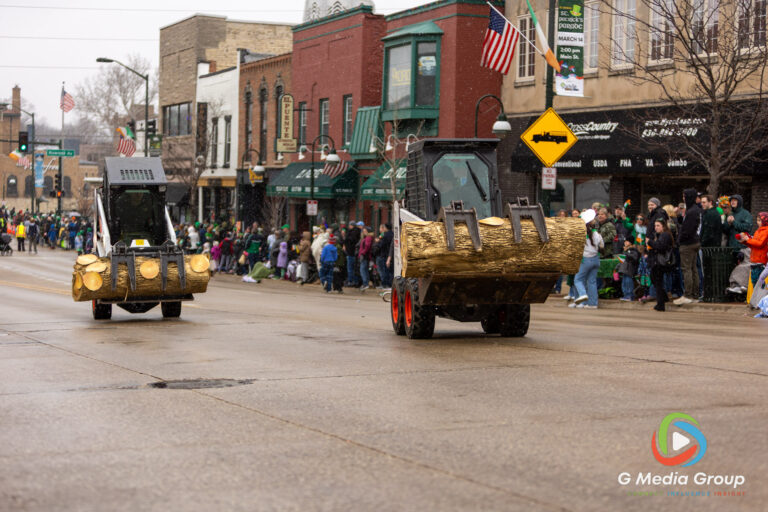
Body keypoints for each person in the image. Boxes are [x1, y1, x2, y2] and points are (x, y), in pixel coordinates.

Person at [570, 209, 603, 309]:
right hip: (596, 259)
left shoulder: (581, 234)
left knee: (578, 280)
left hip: (585, 260)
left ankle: (582, 296)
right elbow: (602, 245)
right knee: (592, 281)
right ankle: (592, 304)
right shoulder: (596, 234)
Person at [674, 188, 703, 305]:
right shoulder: (696, 210)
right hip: (695, 242)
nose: (683, 198)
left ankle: (688, 295)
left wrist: (679, 240)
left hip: (688, 243)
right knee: (693, 269)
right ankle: (695, 294)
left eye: (684, 196)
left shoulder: (691, 211)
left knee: (687, 269)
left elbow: (687, 230)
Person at [647, 218, 675, 312]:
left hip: (661, 262)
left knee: (658, 281)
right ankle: (664, 298)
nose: (656, 228)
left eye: (658, 225)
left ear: (663, 226)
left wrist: (650, 242)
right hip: (657, 261)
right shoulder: (659, 235)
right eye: (655, 225)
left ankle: (660, 304)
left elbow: (660, 247)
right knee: (654, 279)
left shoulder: (665, 235)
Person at [737, 211, 768, 294]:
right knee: (755, 281)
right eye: (757, 220)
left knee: (759, 281)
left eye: (760, 220)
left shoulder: (766, 231)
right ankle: (757, 300)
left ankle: (760, 299)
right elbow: (754, 244)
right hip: (754, 260)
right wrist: (745, 241)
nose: (758, 223)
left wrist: (748, 240)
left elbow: (760, 244)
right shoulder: (758, 231)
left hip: (760, 261)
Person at [375, 223, 393, 289]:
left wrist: (377, 242)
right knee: (388, 270)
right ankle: (388, 284)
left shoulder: (385, 235)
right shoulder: (392, 234)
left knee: (383, 270)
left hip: (383, 255)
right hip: (389, 254)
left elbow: (381, 245)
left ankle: (385, 284)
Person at [358, 226, 374, 290]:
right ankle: (366, 283)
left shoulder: (368, 237)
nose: (364, 232)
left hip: (365, 256)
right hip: (365, 255)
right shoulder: (367, 237)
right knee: (364, 270)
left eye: (365, 231)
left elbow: (367, 246)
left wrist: (362, 253)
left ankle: (365, 283)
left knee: (363, 270)